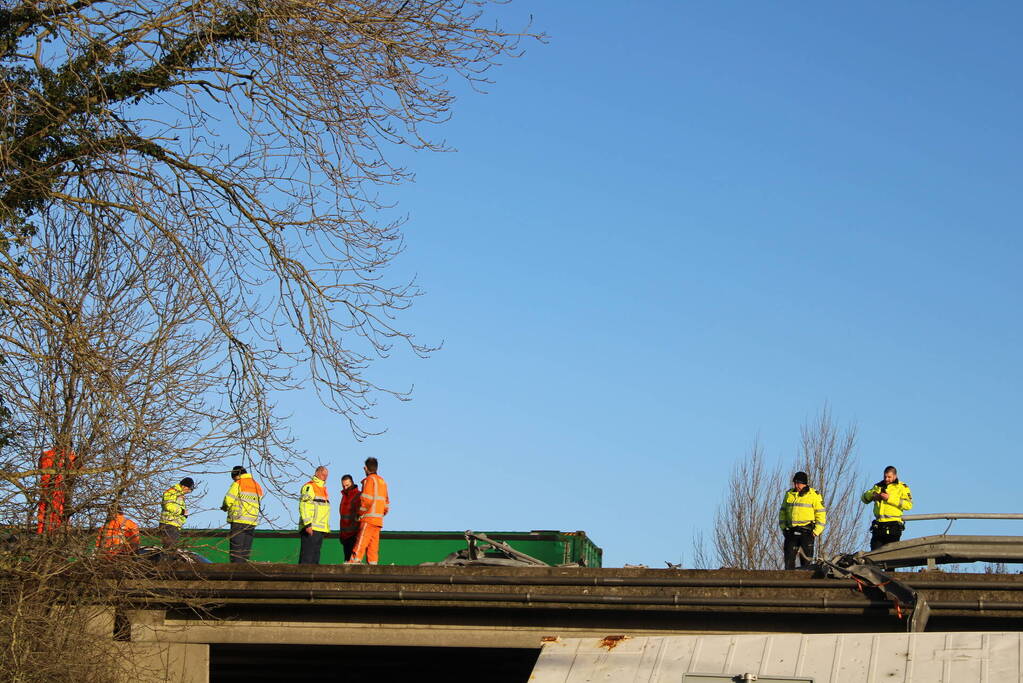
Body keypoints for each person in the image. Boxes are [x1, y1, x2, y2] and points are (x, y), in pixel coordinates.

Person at [778, 471, 826, 569]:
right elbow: (782, 512)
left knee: (806, 564)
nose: (796, 485)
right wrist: (784, 528)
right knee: (789, 561)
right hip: (791, 532)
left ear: (805, 484)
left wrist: (816, 531)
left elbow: (821, 513)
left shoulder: (813, 495)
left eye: (798, 483)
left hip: (807, 532)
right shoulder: (789, 494)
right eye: (795, 483)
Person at [347, 457, 389, 565]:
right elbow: (386, 503)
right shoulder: (382, 481)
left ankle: (352, 564)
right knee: (373, 548)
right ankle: (373, 568)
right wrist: (380, 513)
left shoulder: (369, 480)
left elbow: (366, 500)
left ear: (365, 468)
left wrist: (359, 513)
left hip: (368, 519)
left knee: (361, 543)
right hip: (378, 520)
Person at [862, 465, 913, 550]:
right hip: (878, 526)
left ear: (895, 476)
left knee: (890, 555)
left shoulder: (902, 487)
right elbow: (864, 499)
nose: (886, 479)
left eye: (889, 477)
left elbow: (909, 505)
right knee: (875, 555)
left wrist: (889, 498)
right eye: (885, 477)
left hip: (894, 526)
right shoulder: (878, 486)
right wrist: (872, 495)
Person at [221, 465, 264, 562]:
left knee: (236, 550)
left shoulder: (238, 483)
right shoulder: (257, 485)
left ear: (236, 475)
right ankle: (244, 571)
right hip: (252, 522)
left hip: (238, 519)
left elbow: (228, 499)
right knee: (245, 551)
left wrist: (224, 507)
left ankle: (235, 572)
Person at [298, 466, 330, 564]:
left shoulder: (323, 489)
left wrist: (325, 529)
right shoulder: (310, 486)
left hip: (319, 530)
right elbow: (304, 506)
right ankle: (303, 577)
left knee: (315, 559)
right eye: (322, 474)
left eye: (326, 475)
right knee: (307, 558)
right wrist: (307, 524)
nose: (325, 477)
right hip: (311, 528)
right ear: (317, 473)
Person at [160, 477, 194, 550]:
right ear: (183, 486)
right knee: (169, 549)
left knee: (171, 549)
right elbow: (168, 506)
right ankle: (164, 561)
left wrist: (184, 516)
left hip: (174, 525)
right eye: (188, 489)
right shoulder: (172, 492)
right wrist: (182, 512)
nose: (188, 492)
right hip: (168, 524)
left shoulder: (179, 494)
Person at [338, 474, 361, 562]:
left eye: (347, 485)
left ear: (352, 483)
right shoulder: (344, 497)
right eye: (343, 486)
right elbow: (342, 517)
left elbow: (359, 515)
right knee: (347, 561)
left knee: (353, 562)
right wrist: (342, 534)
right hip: (345, 535)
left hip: (354, 534)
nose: (345, 488)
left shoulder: (358, 495)